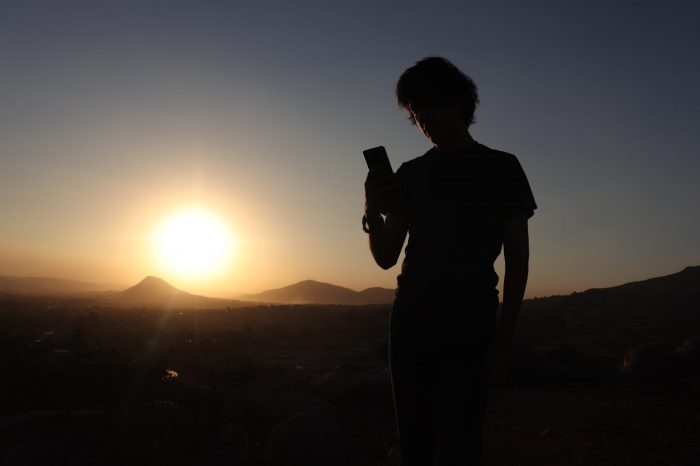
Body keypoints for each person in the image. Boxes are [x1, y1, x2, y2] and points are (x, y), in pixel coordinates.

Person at [363, 56, 536, 466]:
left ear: (456, 102)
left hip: (470, 319)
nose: (421, 118)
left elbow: (518, 261)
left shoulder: (501, 167)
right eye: (414, 111)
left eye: (426, 104)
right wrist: (371, 208)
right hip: (412, 319)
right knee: (414, 441)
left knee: (462, 441)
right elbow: (387, 257)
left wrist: (504, 339)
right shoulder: (410, 173)